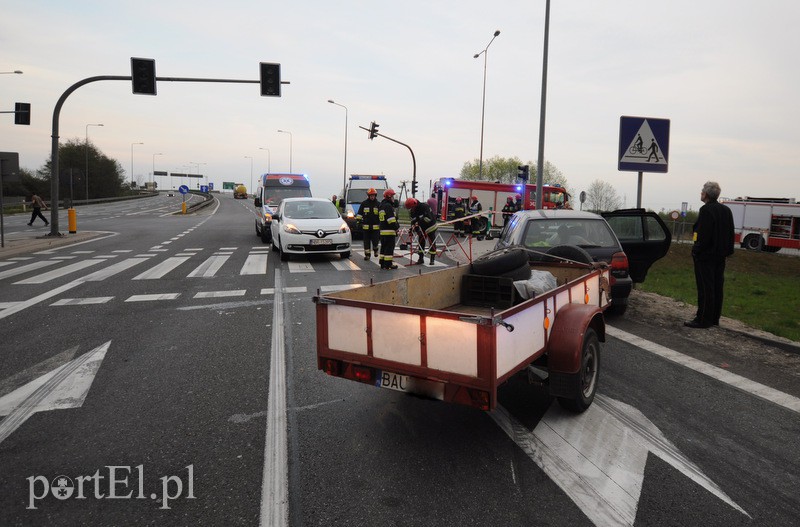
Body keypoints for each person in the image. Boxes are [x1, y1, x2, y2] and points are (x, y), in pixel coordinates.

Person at [685, 181, 735, 329]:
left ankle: (702, 319)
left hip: (706, 256)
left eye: (702, 191)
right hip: (720, 256)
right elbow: (730, 232)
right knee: (717, 287)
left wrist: (696, 250)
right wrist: (728, 251)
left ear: (706, 194)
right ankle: (714, 318)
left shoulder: (706, 210)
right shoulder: (726, 210)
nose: (700, 193)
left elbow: (703, 234)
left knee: (705, 288)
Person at [404, 198, 438, 265]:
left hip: (430, 227)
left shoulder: (424, 207)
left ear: (415, 205)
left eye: (412, 208)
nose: (411, 210)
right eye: (410, 208)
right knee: (421, 242)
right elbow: (413, 221)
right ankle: (421, 258)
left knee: (431, 242)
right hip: (422, 227)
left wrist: (418, 223)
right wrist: (413, 229)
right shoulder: (412, 211)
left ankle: (432, 259)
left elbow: (428, 219)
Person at [356, 188, 381, 260]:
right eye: (371, 195)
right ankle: (367, 255)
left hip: (375, 228)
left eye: (373, 195)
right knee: (366, 242)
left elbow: (381, 215)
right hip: (366, 227)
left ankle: (375, 250)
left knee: (375, 241)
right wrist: (358, 222)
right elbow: (360, 214)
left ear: (375, 195)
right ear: (368, 196)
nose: (372, 197)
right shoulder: (364, 204)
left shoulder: (378, 204)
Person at [378, 189, 399, 270]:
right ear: (389, 196)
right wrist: (396, 227)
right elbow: (391, 220)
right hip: (389, 231)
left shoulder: (381, 205)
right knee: (389, 248)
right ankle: (388, 264)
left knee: (383, 247)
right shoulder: (388, 206)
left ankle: (382, 263)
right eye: (392, 196)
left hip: (383, 231)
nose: (393, 198)